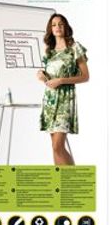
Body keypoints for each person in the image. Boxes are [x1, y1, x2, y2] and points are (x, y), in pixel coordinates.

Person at [37, 13, 89, 165]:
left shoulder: (74, 48)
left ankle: (74, 178)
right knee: (54, 149)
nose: (57, 27)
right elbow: (50, 80)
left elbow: (85, 76)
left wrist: (61, 80)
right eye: (54, 25)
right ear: (50, 29)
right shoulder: (50, 52)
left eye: (60, 24)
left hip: (65, 101)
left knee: (58, 146)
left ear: (65, 27)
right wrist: (43, 76)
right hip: (50, 101)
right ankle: (60, 179)